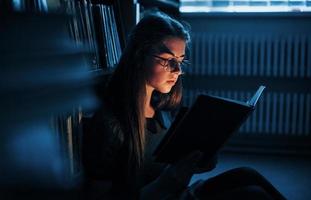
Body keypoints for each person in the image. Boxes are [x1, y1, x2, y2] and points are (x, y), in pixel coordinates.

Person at [81, 11, 286, 200]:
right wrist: (164, 184)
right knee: (252, 195)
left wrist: (196, 162)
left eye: (180, 60)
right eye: (168, 59)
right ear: (138, 56)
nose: (178, 70)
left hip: (179, 194)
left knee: (246, 174)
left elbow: (164, 165)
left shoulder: (160, 109)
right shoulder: (111, 125)